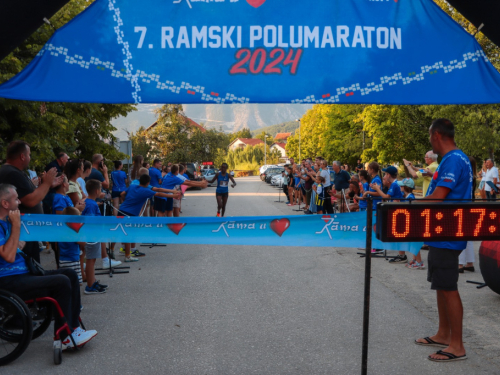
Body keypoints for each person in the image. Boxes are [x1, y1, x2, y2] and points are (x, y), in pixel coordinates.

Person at [0, 184, 98, 350]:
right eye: (16, 199)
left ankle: (73, 328)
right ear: (5, 204)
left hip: (23, 273)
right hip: (9, 280)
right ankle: (65, 336)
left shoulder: (7, 222)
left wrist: (16, 235)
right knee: (61, 282)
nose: (19, 202)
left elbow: (15, 248)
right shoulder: (9, 223)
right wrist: (16, 227)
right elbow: (9, 256)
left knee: (70, 274)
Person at [414, 119, 472, 362]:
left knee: (448, 288)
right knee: (441, 284)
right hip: (441, 232)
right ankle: (443, 333)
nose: (430, 141)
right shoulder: (456, 158)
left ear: (436, 134)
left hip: (448, 231)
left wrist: (405, 204)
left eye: (430, 136)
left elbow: (438, 196)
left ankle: (457, 346)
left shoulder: (454, 159)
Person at [0, 141, 62, 262]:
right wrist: (47, 183)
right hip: (22, 231)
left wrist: (47, 185)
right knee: (31, 269)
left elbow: (32, 194)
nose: (30, 158)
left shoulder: (15, 172)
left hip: (26, 231)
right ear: (22, 156)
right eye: (29, 154)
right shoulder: (12, 173)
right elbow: (31, 200)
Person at [119, 174, 180, 261]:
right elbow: (159, 193)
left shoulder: (132, 186)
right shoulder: (145, 191)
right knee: (130, 233)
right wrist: (173, 196)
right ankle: (127, 256)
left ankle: (119, 250)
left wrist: (127, 201)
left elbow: (122, 193)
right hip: (131, 213)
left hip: (122, 210)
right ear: (148, 183)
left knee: (121, 231)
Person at [370, 166, 406, 263]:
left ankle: (402, 256)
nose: (385, 176)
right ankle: (401, 254)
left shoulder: (394, 184)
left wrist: (377, 189)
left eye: (385, 174)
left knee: (400, 234)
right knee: (398, 234)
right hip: (396, 210)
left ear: (389, 175)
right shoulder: (394, 184)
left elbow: (386, 196)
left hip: (399, 211)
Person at [53, 175, 86, 283]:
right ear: (63, 184)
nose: (69, 184)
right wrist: (77, 209)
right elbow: (62, 218)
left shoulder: (65, 196)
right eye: (68, 182)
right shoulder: (58, 198)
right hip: (67, 238)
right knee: (69, 276)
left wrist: (77, 207)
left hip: (72, 239)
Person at [82, 179, 110, 294]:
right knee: (91, 260)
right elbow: (91, 221)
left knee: (92, 259)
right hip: (91, 237)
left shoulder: (89, 202)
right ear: (97, 191)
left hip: (92, 236)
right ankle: (90, 286)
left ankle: (92, 281)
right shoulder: (91, 204)